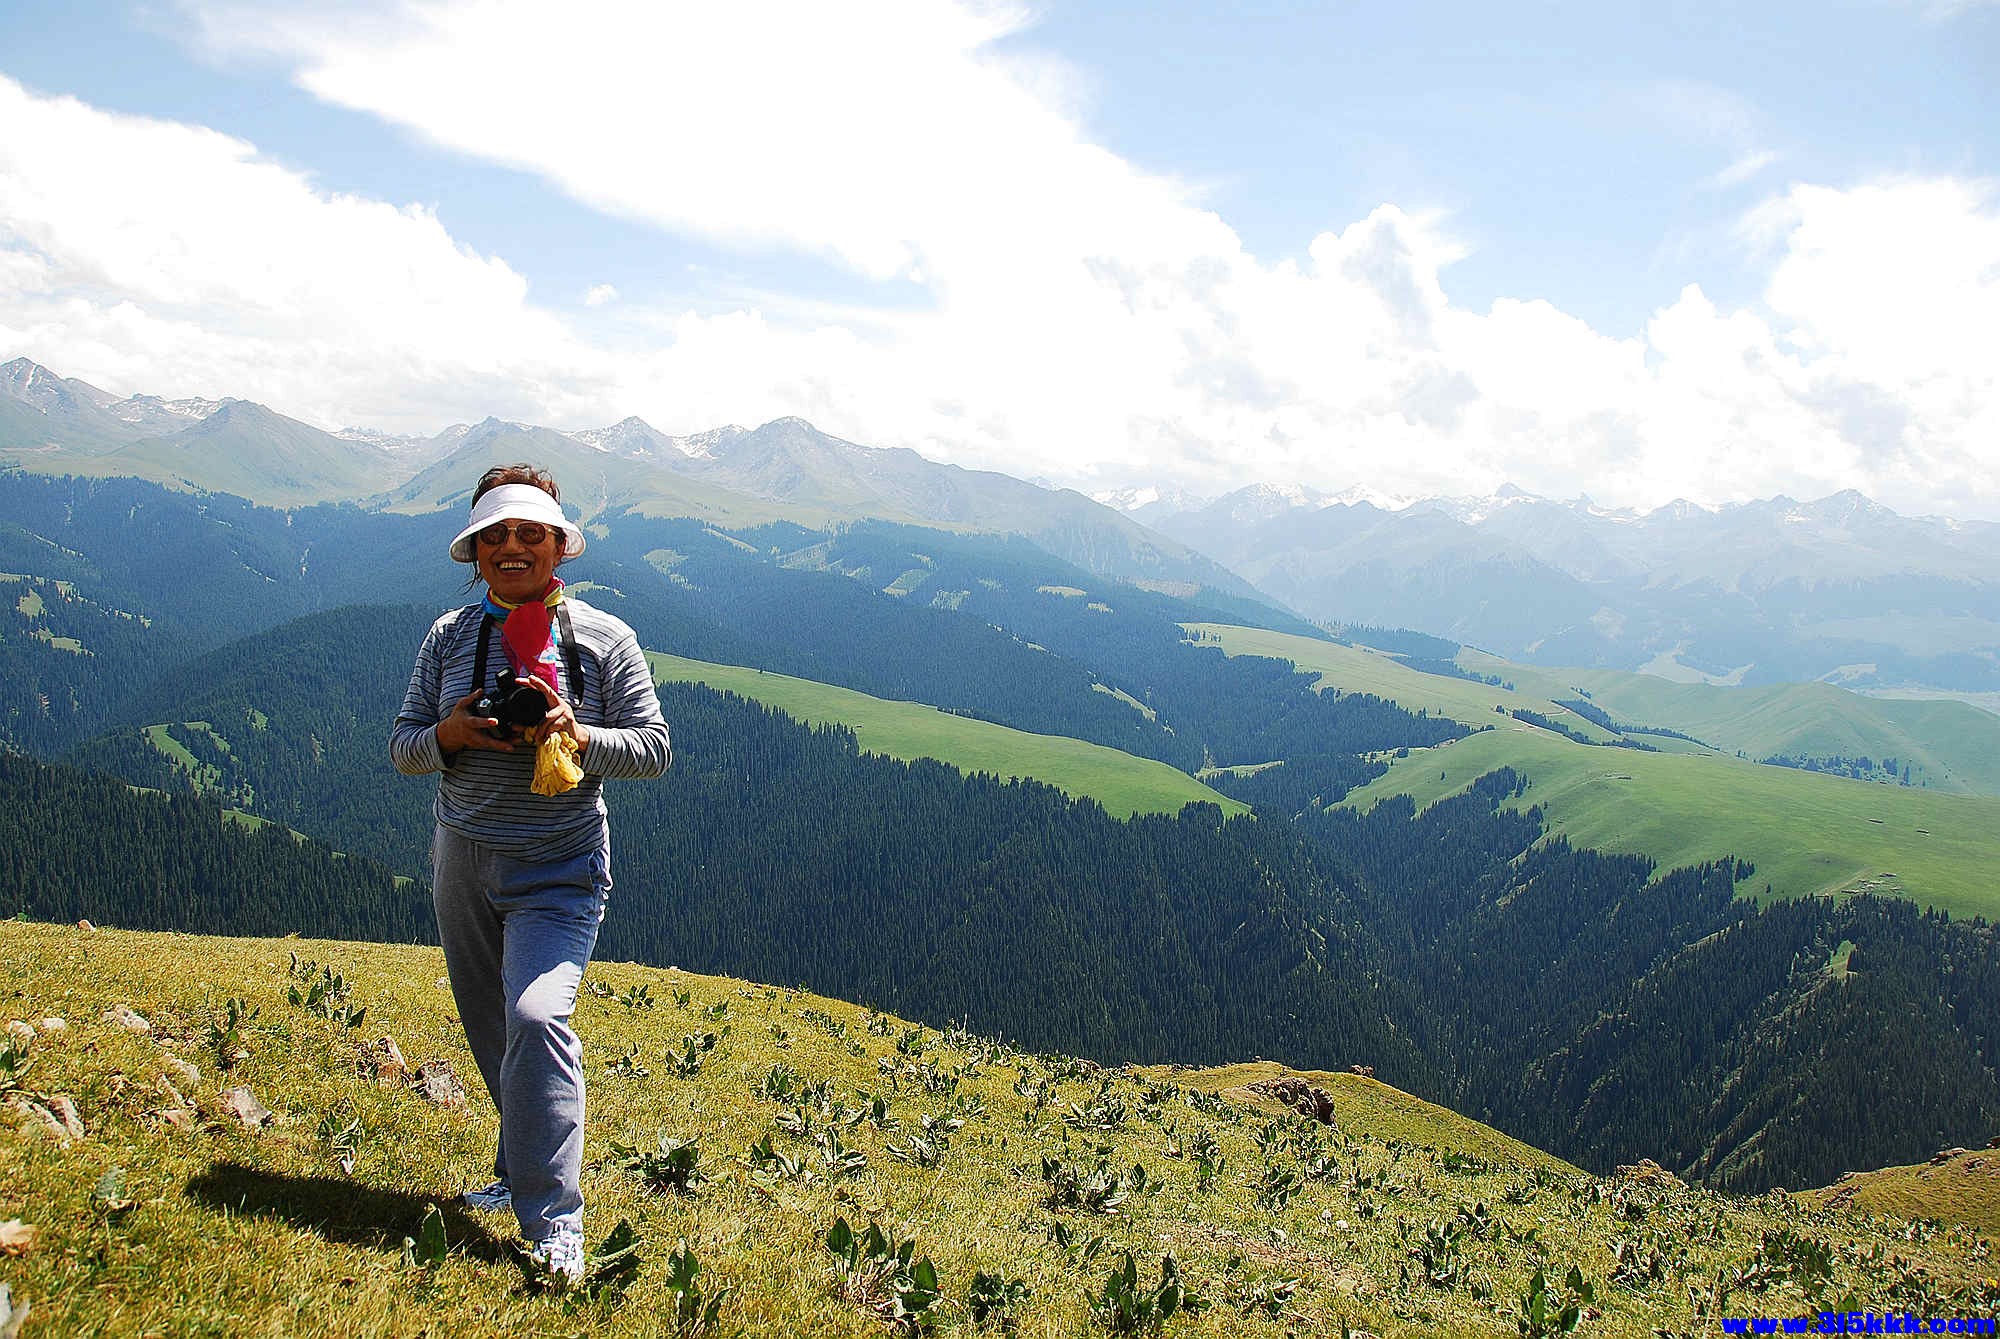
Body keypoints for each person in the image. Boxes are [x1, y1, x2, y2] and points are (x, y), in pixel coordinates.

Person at [390, 463, 671, 1285]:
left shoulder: (605, 639)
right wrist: (451, 734)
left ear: (558, 548)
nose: (512, 548)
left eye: (530, 534)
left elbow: (654, 749)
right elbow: (404, 748)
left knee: (536, 1015)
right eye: (496, 536)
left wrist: (576, 733)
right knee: (492, 1029)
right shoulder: (447, 636)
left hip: (560, 867)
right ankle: (516, 1170)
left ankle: (555, 1224)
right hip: (463, 860)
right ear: (476, 552)